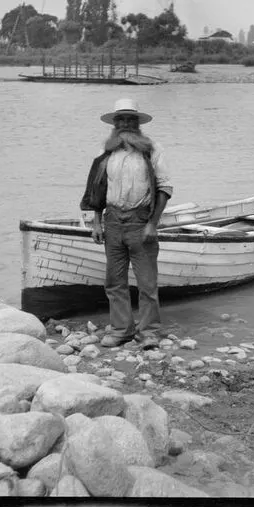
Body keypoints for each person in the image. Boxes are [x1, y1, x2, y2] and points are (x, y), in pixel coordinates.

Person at [81, 98, 173, 349]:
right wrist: (96, 223)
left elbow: (165, 188)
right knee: (114, 281)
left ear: (137, 124)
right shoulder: (104, 154)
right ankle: (122, 329)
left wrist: (152, 224)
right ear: (114, 124)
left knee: (147, 283)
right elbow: (95, 192)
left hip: (140, 221)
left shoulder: (152, 150)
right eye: (120, 120)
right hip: (112, 222)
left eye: (130, 120)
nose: (125, 124)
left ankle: (149, 332)